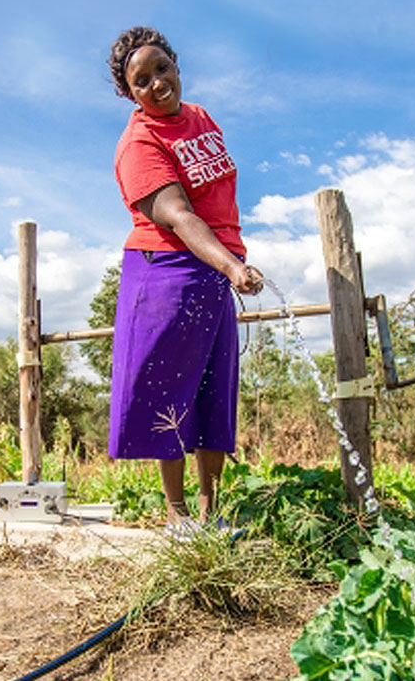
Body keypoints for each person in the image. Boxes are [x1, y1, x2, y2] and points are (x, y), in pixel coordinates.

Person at [106, 26, 262, 537]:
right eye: (141, 80)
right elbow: (178, 216)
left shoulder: (200, 118)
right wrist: (233, 267)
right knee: (170, 390)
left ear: (176, 63)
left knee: (216, 390)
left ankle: (211, 516)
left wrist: (228, 262)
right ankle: (177, 517)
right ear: (129, 93)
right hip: (167, 271)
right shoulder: (138, 144)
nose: (156, 84)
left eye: (161, 69)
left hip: (216, 267)